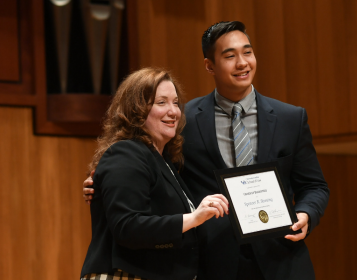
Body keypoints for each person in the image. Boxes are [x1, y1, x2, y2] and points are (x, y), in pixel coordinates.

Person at [84, 21, 329, 280]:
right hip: (212, 262)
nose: (243, 63)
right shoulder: (181, 121)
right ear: (209, 66)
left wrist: (306, 214)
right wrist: (101, 184)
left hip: (282, 259)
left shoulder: (290, 118)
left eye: (247, 52)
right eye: (230, 55)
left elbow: (315, 185)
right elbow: (151, 173)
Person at [80, 68, 228, 280]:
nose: (173, 111)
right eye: (162, 102)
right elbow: (128, 227)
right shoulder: (126, 152)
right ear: (136, 109)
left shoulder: (164, 161)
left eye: (176, 103)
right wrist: (194, 218)